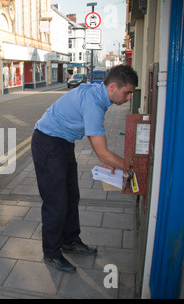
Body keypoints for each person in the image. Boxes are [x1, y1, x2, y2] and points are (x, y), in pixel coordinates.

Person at [31, 64, 138, 273]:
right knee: (56, 202)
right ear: (113, 87)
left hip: (62, 143)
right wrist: (132, 167)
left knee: (71, 197)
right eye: (127, 93)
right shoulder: (94, 103)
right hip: (47, 143)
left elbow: (93, 133)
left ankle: (70, 240)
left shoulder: (98, 94)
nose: (128, 98)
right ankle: (51, 253)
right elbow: (104, 152)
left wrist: (104, 157)